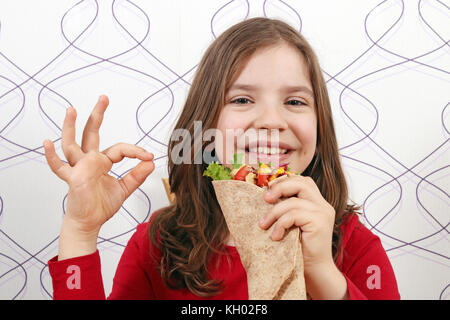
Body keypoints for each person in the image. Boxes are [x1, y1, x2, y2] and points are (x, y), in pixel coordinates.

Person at [44, 17, 400, 300]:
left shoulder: (353, 244)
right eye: (242, 100)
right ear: (206, 127)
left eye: (295, 102)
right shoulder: (158, 244)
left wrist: (321, 271)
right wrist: (81, 230)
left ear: (320, 128)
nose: (272, 121)